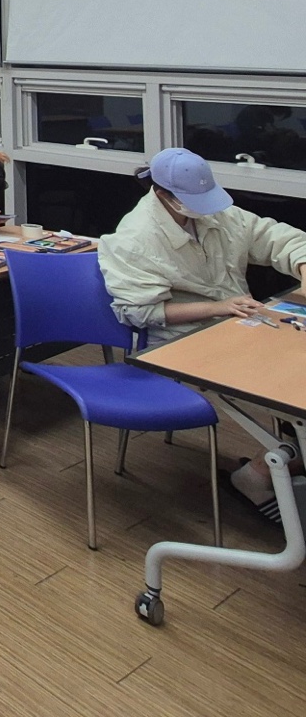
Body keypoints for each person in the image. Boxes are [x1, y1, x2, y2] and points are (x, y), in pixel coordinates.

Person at [98, 147, 306, 523]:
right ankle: (261, 473)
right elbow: (138, 312)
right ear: (163, 194)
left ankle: (284, 458)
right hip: (184, 341)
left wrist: (303, 263)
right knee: (290, 383)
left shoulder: (215, 213)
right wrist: (218, 307)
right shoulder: (134, 238)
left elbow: (276, 238)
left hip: (240, 324)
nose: (206, 208)